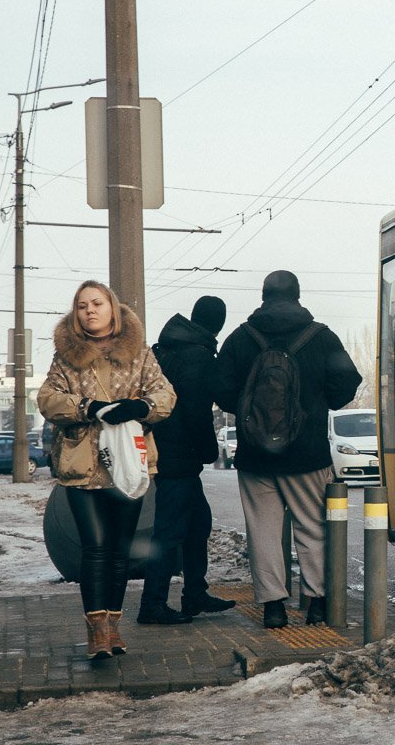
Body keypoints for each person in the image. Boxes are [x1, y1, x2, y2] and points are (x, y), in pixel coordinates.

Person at [37, 280, 176, 659]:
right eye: (82, 306)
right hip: (82, 465)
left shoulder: (139, 353)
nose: (89, 311)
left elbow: (165, 395)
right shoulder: (66, 358)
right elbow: (48, 399)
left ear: (113, 308)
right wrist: (88, 407)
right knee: (95, 549)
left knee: (119, 551)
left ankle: (113, 629)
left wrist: (140, 408)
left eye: (97, 303)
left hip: (128, 465)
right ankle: (96, 634)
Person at [215, 270, 361, 629]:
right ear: (298, 296)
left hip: (255, 455)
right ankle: (316, 604)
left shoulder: (241, 338)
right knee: (313, 529)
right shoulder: (322, 338)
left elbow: (219, 389)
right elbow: (346, 386)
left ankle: (274, 608)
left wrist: (253, 414)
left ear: (263, 296)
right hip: (308, 454)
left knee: (263, 532)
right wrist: (315, 401)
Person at [137, 296, 237, 625]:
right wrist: (209, 450)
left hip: (168, 451)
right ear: (217, 323)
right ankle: (152, 604)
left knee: (198, 525)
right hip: (178, 457)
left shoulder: (166, 348)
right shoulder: (198, 355)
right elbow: (196, 412)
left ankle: (195, 592)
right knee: (168, 534)